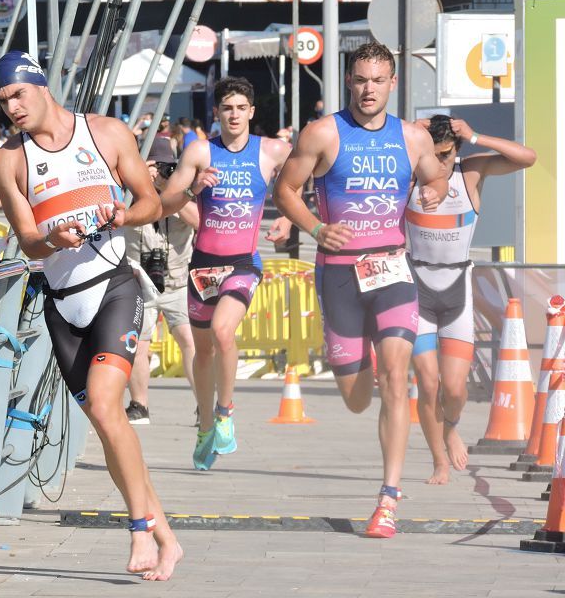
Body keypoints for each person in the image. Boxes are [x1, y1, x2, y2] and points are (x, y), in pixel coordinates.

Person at [0, 51, 182, 581]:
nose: (12, 108)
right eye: (3, 101)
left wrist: (123, 213)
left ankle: (140, 527)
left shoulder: (106, 133)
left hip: (114, 287)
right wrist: (49, 238)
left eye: (18, 95)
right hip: (62, 307)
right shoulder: (8, 161)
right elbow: (28, 240)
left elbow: (153, 202)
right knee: (107, 421)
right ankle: (167, 538)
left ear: (42, 88)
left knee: (103, 405)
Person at [273, 41, 448, 538]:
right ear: (348, 82)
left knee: (398, 379)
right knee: (355, 395)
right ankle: (358, 364)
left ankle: (388, 500)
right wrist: (313, 226)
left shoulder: (413, 138)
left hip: (392, 270)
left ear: (393, 84)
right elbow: (285, 189)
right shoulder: (323, 132)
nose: (368, 89)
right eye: (359, 80)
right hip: (339, 274)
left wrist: (434, 187)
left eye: (377, 80)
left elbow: (436, 174)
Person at [160, 77, 292, 470]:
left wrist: (287, 216)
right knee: (203, 353)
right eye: (227, 108)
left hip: (243, 264)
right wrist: (191, 188)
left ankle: (224, 413)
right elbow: (165, 202)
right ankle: (204, 425)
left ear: (252, 111)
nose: (234, 115)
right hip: (202, 266)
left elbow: (305, 179)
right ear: (217, 113)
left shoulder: (272, 151)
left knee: (222, 332)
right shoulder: (200, 151)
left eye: (241, 108)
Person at [407, 114, 535, 484]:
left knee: (456, 389)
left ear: (457, 149)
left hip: (457, 291)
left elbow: (527, 157)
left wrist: (477, 134)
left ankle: (451, 427)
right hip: (419, 288)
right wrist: (408, 128)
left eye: (445, 155)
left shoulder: (470, 173)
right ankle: (439, 460)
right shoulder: (411, 174)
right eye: (432, 154)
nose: (438, 164)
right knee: (428, 384)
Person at [124, 137, 199, 425]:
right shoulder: (129, 189)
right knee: (139, 344)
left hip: (178, 280)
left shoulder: (181, 191)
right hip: (139, 280)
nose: (156, 172)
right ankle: (139, 405)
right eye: (151, 165)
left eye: (162, 167)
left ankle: (204, 404)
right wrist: (142, 184)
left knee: (189, 340)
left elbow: (199, 221)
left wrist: (169, 190)